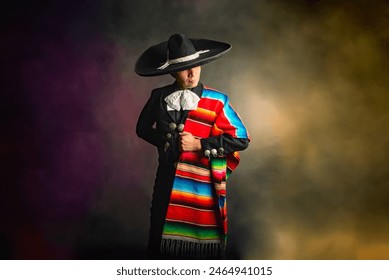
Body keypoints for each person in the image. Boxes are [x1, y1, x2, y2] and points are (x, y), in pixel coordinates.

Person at [135, 33, 249, 259]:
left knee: (198, 254)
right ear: (172, 72)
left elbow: (241, 139)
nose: (192, 73)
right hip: (166, 182)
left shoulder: (217, 101)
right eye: (185, 68)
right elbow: (142, 129)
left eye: (196, 66)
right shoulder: (159, 97)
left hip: (200, 186)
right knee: (159, 245)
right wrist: (167, 142)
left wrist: (199, 145)